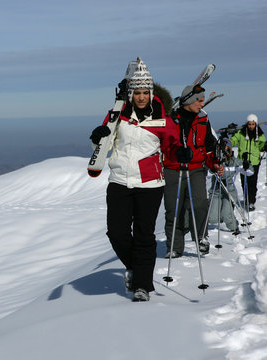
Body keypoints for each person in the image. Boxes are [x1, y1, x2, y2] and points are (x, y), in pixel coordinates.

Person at [89, 57, 181, 302]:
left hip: (150, 184)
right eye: (137, 93)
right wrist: (98, 134)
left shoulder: (163, 119)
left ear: (151, 93)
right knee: (116, 232)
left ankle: (142, 285)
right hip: (119, 181)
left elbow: (173, 148)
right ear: (130, 94)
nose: (141, 97)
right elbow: (104, 141)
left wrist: (182, 153)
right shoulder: (118, 114)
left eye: (144, 92)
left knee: (144, 235)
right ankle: (134, 267)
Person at [163, 84, 223, 259]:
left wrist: (214, 164)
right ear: (189, 100)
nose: (202, 104)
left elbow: (209, 145)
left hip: (196, 168)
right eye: (200, 101)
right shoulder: (170, 118)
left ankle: (201, 238)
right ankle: (174, 246)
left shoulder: (203, 118)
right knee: (174, 209)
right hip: (172, 168)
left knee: (199, 204)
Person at [207, 141, 250, 235]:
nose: (225, 153)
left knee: (226, 215)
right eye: (223, 150)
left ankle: (234, 226)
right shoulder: (215, 161)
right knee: (212, 218)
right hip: (216, 192)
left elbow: (249, 172)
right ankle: (216, 210)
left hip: (229, 193)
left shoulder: (234, 162)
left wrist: (246, 166)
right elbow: (207, 174)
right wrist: (213, 168)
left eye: (227, 149)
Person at [230, 114, 266, 211]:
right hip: (243, 161)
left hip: (254, 161)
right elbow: (233, 140)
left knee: (252, 182)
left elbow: (261, 145)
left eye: (253, 124)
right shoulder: (241, 133)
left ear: (256, 124)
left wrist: (263, 148)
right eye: (249, 124)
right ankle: (247, 199)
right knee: (244, 182)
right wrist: (228, 142)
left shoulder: (260, 135)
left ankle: (251, 201)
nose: (251, 126)